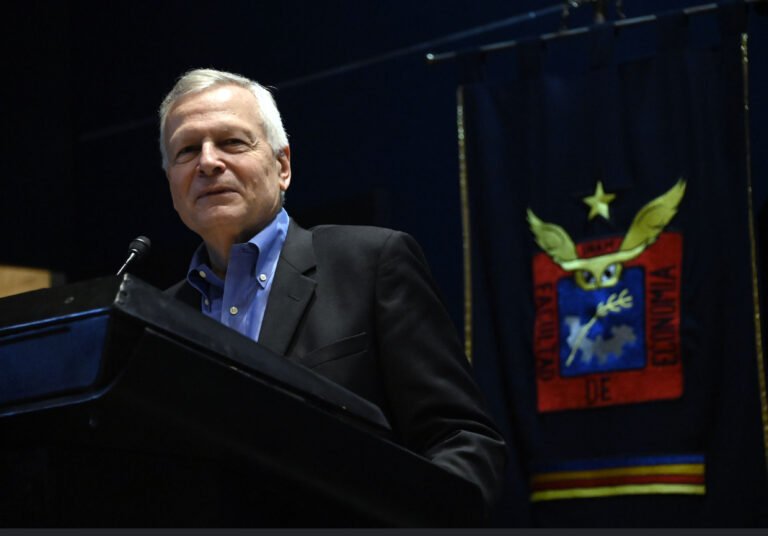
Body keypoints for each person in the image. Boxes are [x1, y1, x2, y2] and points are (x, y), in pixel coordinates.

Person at [159, 68, 506, 518]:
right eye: (187, 150)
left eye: (232, 142)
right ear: (172, 185)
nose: (208, 162)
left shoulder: (371, 264)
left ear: (282, 166)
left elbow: (462, 441)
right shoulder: (161, 317)